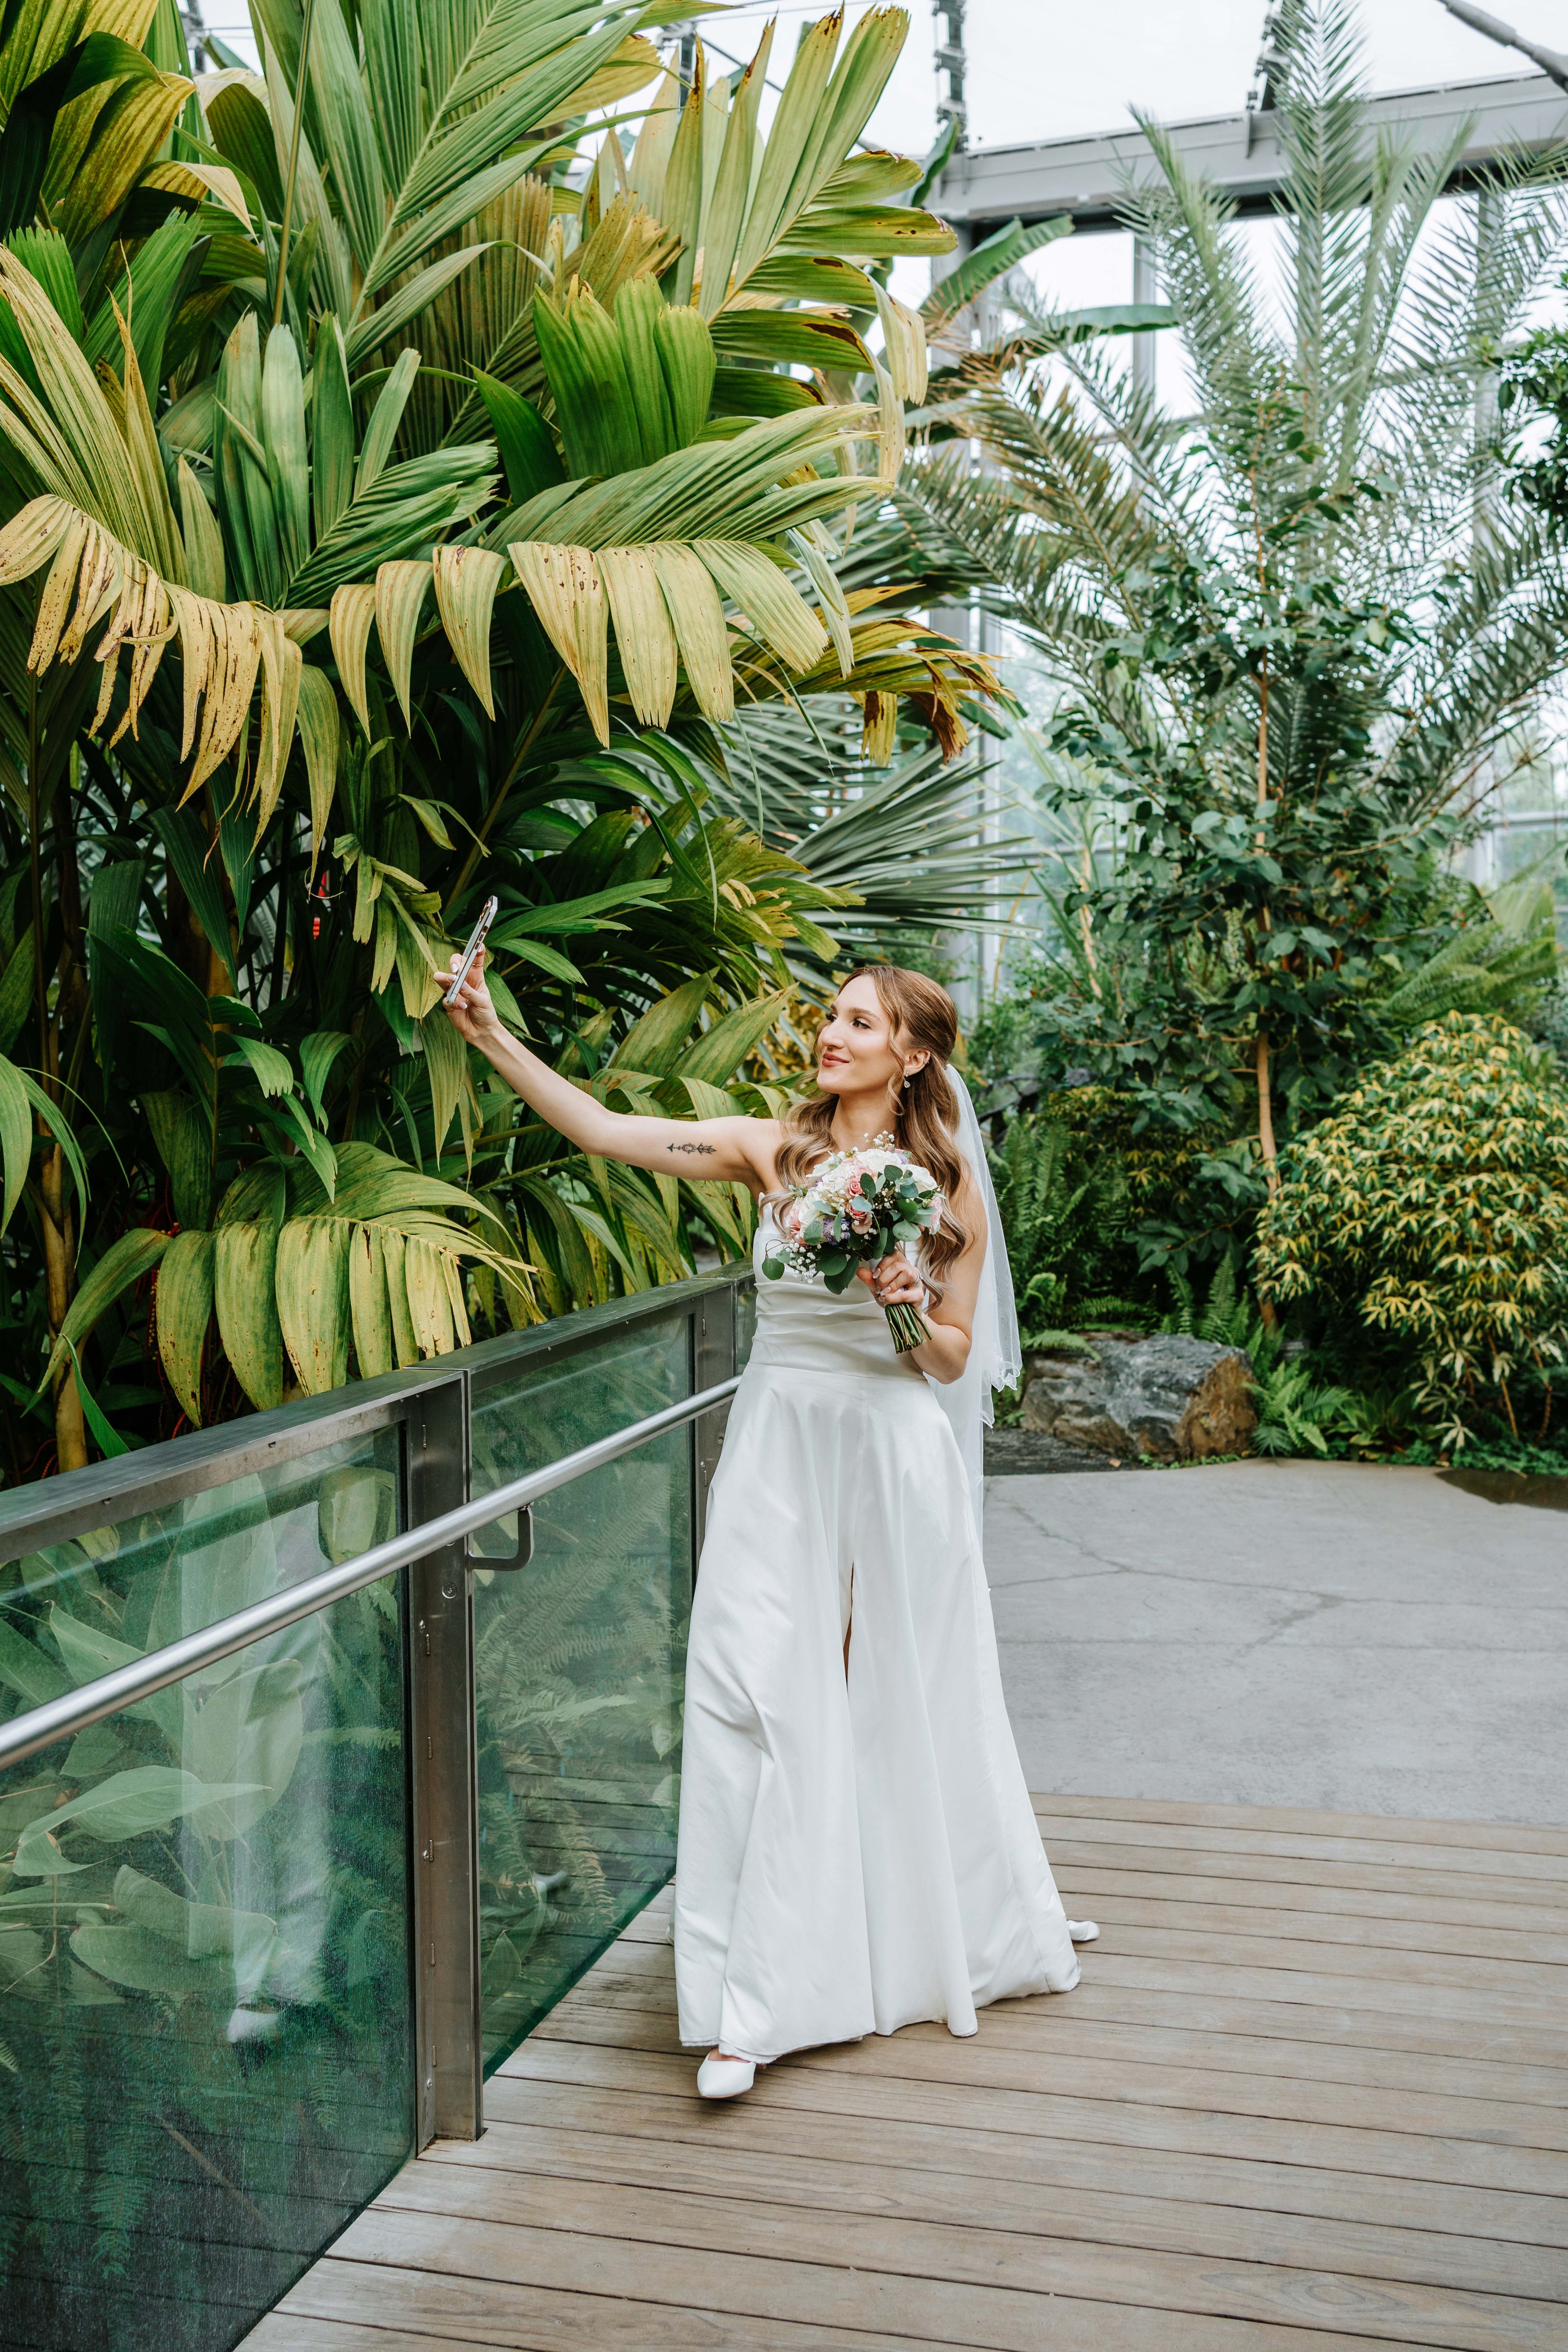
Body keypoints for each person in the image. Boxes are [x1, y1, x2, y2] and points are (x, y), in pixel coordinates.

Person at [445, 954, 1096, 2099]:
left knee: (898, 1694)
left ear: (915, 1054)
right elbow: (602, 1129)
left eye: (859, 1021)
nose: (830, 1033)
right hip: (777, 1447)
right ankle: (750, 1992)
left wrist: (904, 1303)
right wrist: (491, 1034)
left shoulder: (952, 1195)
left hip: (892, 1456)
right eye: (831, 1015)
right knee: (749, 1681)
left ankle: (860, 1958)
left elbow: (949, 1355)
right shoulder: (770, 1150)